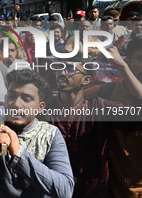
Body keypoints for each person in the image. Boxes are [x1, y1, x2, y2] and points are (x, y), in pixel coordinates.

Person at [0, 69, 74, 198]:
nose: (16, 104)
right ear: (5, 100)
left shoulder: (50, 134)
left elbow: (65, 190)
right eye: (11, 97)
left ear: (41, 107)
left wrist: (19, 154)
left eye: (26, 99)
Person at [42, 53, 142, 198]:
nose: (62, 72)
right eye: (59, 67)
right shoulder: (43, 111)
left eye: (70, 69)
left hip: (94, 192)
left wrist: (123, 67)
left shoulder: (100, 107)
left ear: (86, 79)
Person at [84, 38, 142, 198]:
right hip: (111, 189)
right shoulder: (101, 93)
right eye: (141, 58)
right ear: (128, 60)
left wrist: (122, 67)